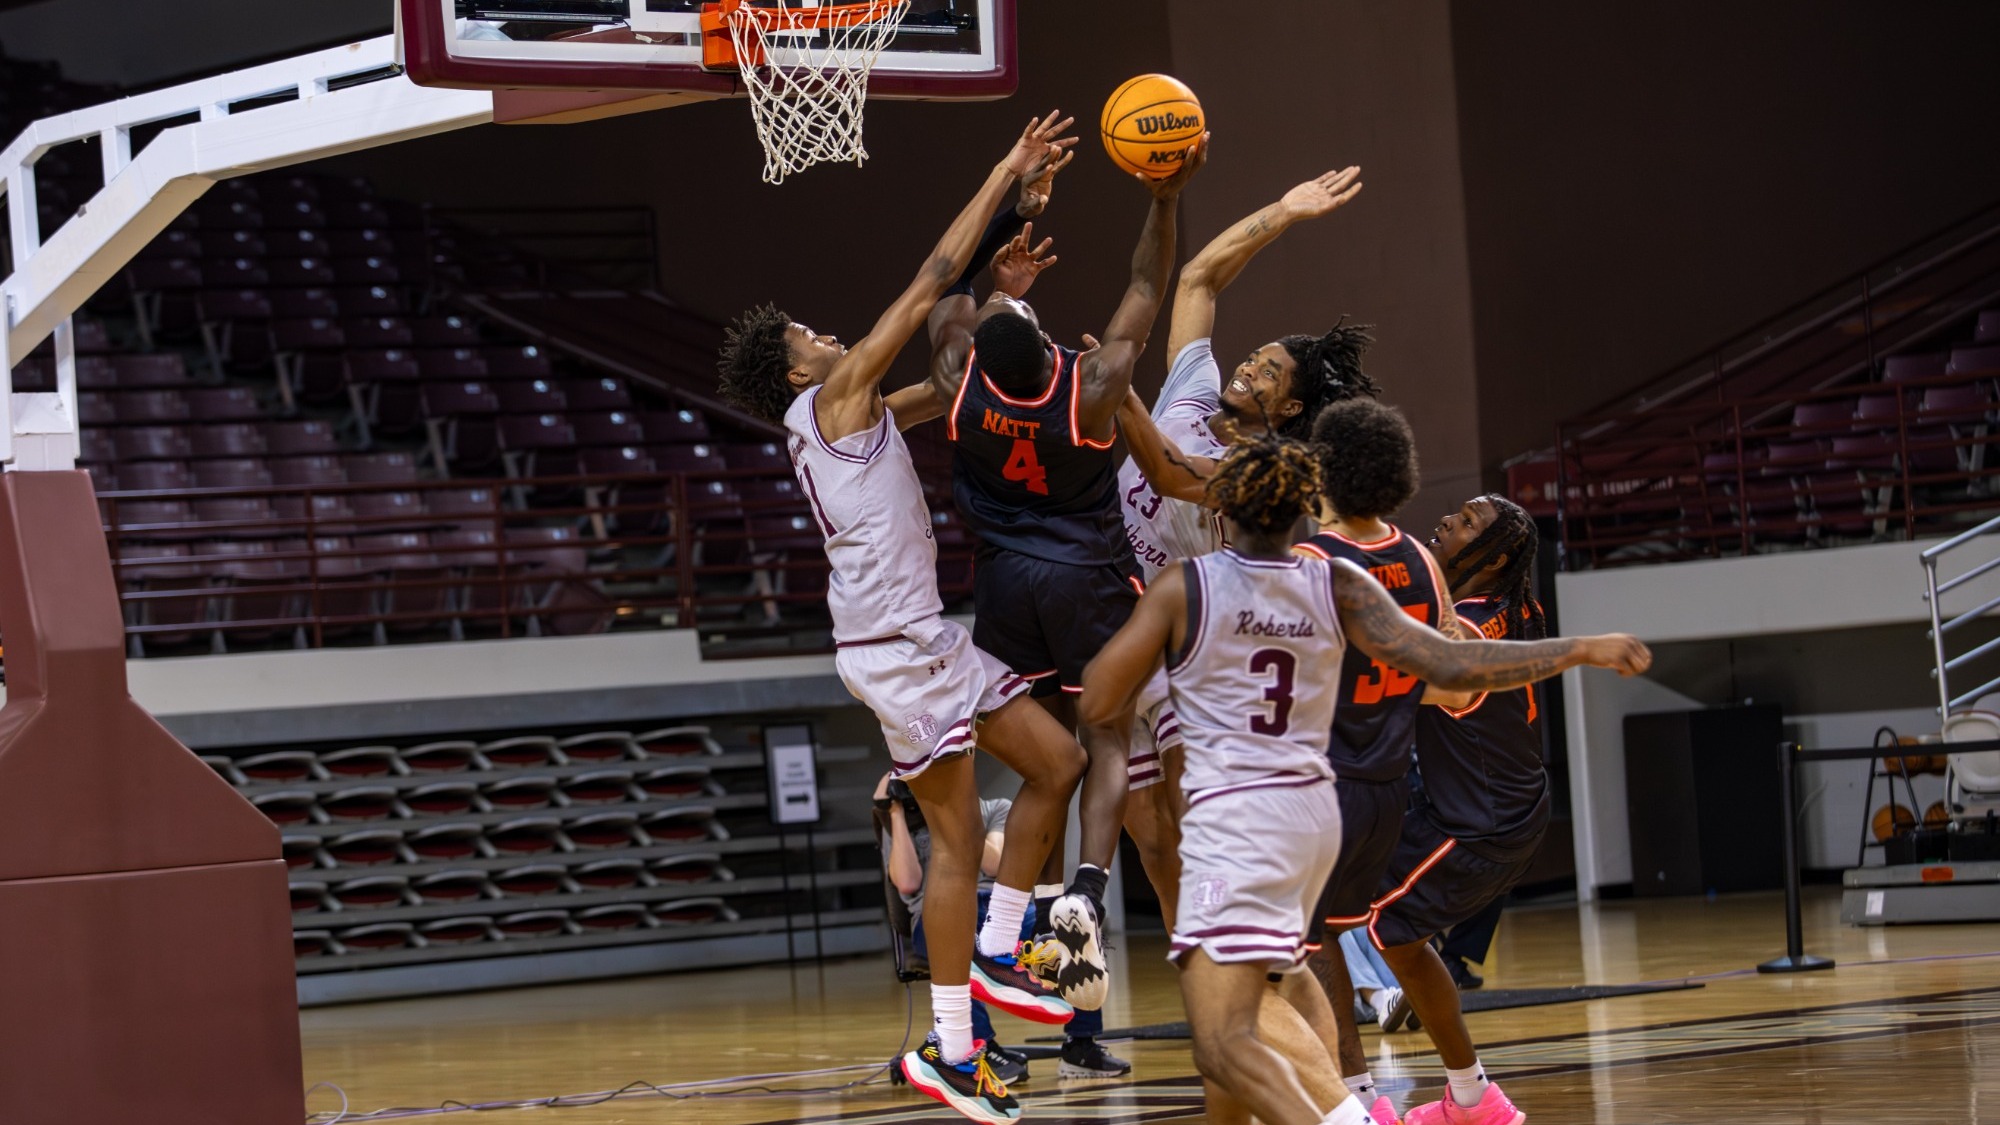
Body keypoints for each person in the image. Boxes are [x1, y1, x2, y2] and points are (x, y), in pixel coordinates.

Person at [1079, 437, 1651, 1125]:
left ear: (1222, 507)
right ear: (1300, 509)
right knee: (1290, 970)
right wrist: (1580, 649)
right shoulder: (1340, 583)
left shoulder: (1190, 584)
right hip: (1317, 811)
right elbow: (1454, 666)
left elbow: (1098, 699)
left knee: (1224, 1038)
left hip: (1237, 823)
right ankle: (1358, 1095)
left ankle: (1352, 1117)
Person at [716, 110, 1086, 1125]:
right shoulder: (833, 395)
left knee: (1057, 765)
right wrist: (1006, 175)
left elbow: (954, 384)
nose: (827, 334)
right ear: (797, 370)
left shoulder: (851, 409)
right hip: (896, 652)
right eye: (808, 334)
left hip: (921, 642)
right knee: (962, 846)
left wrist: (1004, 302)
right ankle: (957, 1040)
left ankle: (988, 982)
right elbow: (927, 278)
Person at [915, 130, 1210, 1014]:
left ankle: (1019, 922)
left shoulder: (959, 382)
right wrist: (1162, 195)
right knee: (1105, 738)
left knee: (1048, 757)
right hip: (1087, 577)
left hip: (1004, 588)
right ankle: (1084, 885)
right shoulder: (1095, 386)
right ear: (1047, 348)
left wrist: (998, 262)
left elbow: (943, 289)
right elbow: (1148, 287)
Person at [1108, 166, 1370, 931]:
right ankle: (1197, 957)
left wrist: (1117, 391)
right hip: (1121, 616)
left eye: (1269, 370)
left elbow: (1162, 469)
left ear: (1289, 407)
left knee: (1189, 824)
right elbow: (1196, 280)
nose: (1249, 365)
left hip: (1198, 654)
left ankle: (1247, 946)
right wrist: (1283, 210)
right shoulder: (1192, 394)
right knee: (1147, 833)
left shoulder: (1260, 473)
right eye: (1252, 355)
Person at [1369, 495, 1564, 1125]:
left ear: (1496, 557)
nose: (1451, 521)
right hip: (1497, 800)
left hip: (1484, 822)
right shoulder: (1516, 603)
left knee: (1365, 925)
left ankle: (1365, 1101)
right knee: (1378, 926)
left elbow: (1417, 683)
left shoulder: (1473, 630)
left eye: (1470, 522)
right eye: (1458, 513)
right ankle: (1473, 1098)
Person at [1291, 398, 1454, 1123]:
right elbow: (1448, 690)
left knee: (1300, 957)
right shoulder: (1422, 558)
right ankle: (1393, 1096)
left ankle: (1351, 1098)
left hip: (1321, 785)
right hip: (1392, 782)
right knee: (1332, 939)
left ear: (1324, 468)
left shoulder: (1313, 562)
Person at [877, 774, 1134, 1082]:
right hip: (938, 918)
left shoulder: (994, 809)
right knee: (957, 947)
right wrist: (894, 813)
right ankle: (981, 1049)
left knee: (1072, 931)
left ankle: (1081, 1045)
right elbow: (907, 882)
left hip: (998, 908)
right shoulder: (904, 826)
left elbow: (996, 864)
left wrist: (955, 820)